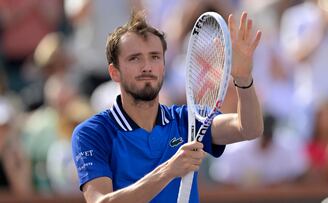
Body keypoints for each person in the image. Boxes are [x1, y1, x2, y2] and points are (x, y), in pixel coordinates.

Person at [71, 10, 263, 203]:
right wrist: (169, 170)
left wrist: (243, 78)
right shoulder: (91, 133)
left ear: (163, 66)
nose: (147, 66)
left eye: (154, 57)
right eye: (135, 58)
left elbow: (249, 128)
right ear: (114, 72)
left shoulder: (186, 121)